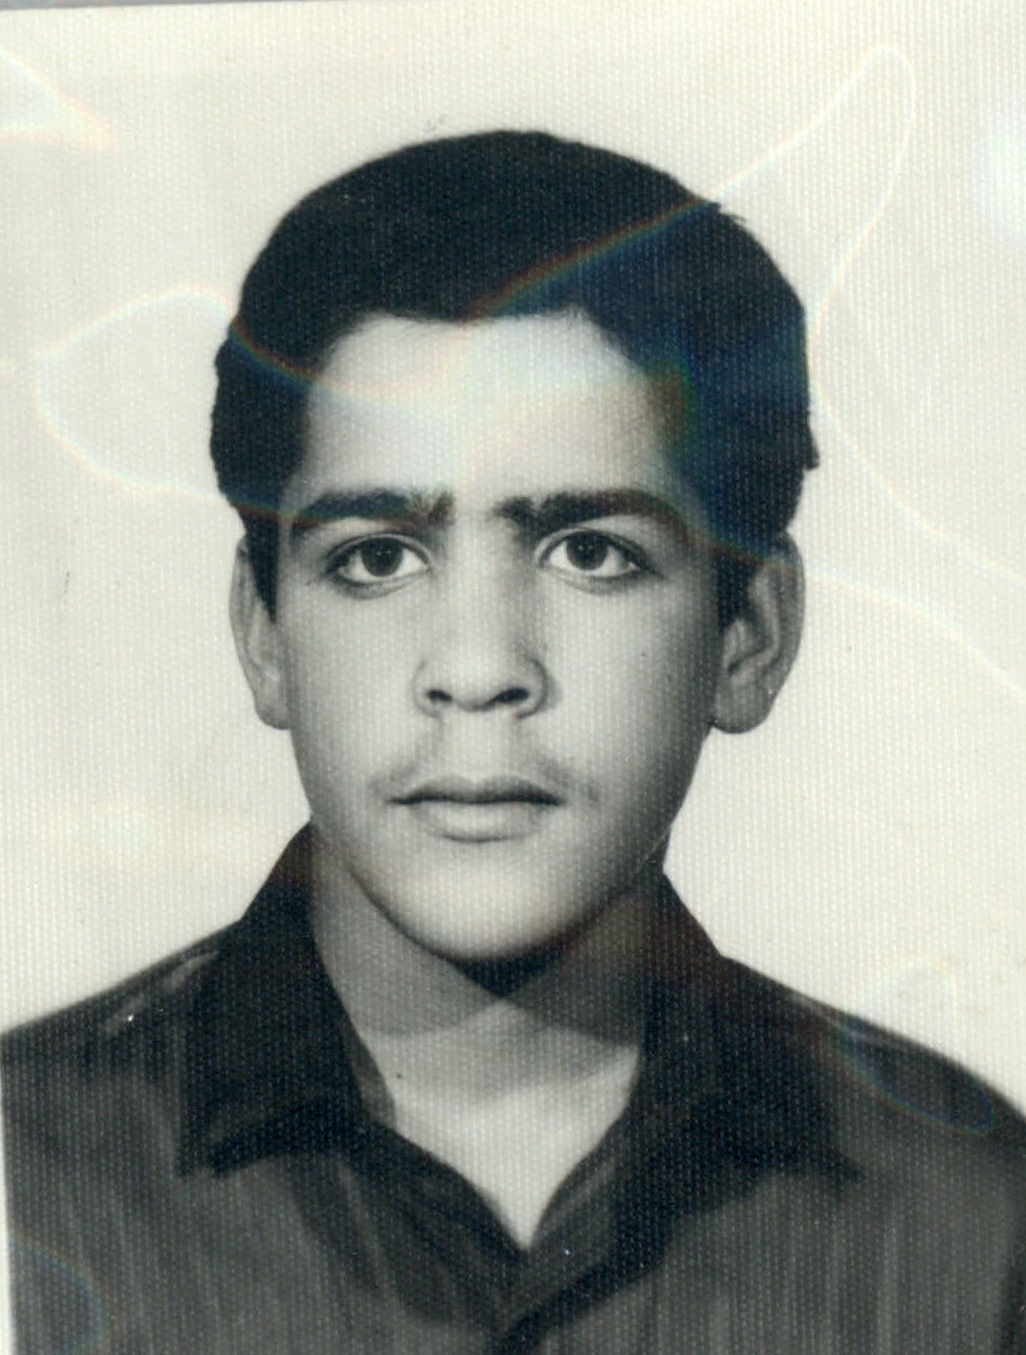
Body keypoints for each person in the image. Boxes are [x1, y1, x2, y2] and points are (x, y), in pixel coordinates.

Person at [3, 130, 1024, 1354]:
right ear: (264, 632)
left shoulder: (970, 1216)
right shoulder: (25, 1170)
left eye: (590, 552)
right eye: (376, 558)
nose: (480, 667)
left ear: (749, 634)